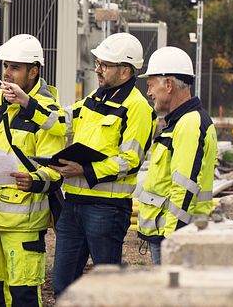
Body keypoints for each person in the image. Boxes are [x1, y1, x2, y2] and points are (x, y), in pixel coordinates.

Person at [51, 32, 156, 298]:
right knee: (63, 287)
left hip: (106, 209)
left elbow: (131, 161)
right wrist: (27, 104)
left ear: (125, 71)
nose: (97, 69)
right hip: (73, 204)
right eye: (97, 63)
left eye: (104, 65)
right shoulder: (92, 99)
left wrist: (85, 170)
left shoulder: (137, 108)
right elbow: (59, 122)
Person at [0, 34, 66, 307]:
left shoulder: (47, 111)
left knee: (23, 297)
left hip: (23, 225)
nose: (7, 74)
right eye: (5, 66)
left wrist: (34, 181)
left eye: (15, 68)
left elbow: (55, 168)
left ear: (33, 71)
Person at [136, 46, 218, 265]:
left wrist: (174, 239)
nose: (149, 92)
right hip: (166, 232)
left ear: (168, 84)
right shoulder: (182, 122)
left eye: (151, 84)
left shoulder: (190, 123)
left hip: (172, 235)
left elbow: (184, 188)